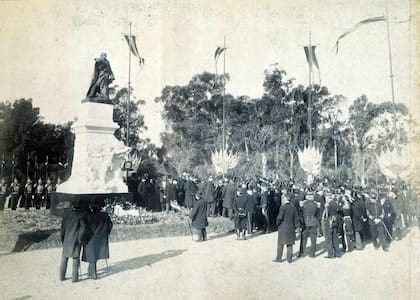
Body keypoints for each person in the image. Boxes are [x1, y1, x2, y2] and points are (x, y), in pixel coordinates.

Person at [82, 200, 113, 279]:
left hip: (91, 238)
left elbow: (85, 228)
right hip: (101, 238)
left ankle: (93, 274)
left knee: (92, 255)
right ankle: (91, 271)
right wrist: (106, 233)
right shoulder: (105, 215)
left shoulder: (89, 216)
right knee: (96, 254)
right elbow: (110, 225)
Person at [60, 200, 88, 282]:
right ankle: (74, 278)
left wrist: (62, 239)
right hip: (76, 239)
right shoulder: (81, 216)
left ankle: (62, 276)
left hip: (67, 239)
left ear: (72, 206)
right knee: (75, 259)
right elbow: (83, 228)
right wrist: (80, 239)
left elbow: (63, 229)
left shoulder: (66, 215)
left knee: (64, 259)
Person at [273, 192, 300, 263]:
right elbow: (296, 218)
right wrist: (297, 227)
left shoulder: (283, 207)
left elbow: (279, 218)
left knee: (280, 244)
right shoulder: (293, 207)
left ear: (285, 198)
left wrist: (277, 224)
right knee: (290, 244)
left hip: (283, 227)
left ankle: (279, 258)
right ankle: (289, 259)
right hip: (291, 227)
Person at [299, 191, 320, 258]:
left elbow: (301, 213)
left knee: (304, 238)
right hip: (314, 222)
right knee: (313, 239)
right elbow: (318, 214)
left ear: (307, 196)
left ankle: (302, 253)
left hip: (306, 222)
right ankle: (312, 254)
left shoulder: (304, 204)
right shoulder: (316, 204)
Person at [322, 192, 341, 258]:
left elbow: (325, 216)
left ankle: (330, 254)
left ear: (327, 197)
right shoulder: (335, 203)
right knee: (335, 238)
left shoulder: (328, 205)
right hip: (335, 222)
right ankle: (338, 253)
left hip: (329, 222)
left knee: (329, 239)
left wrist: (325, 207)